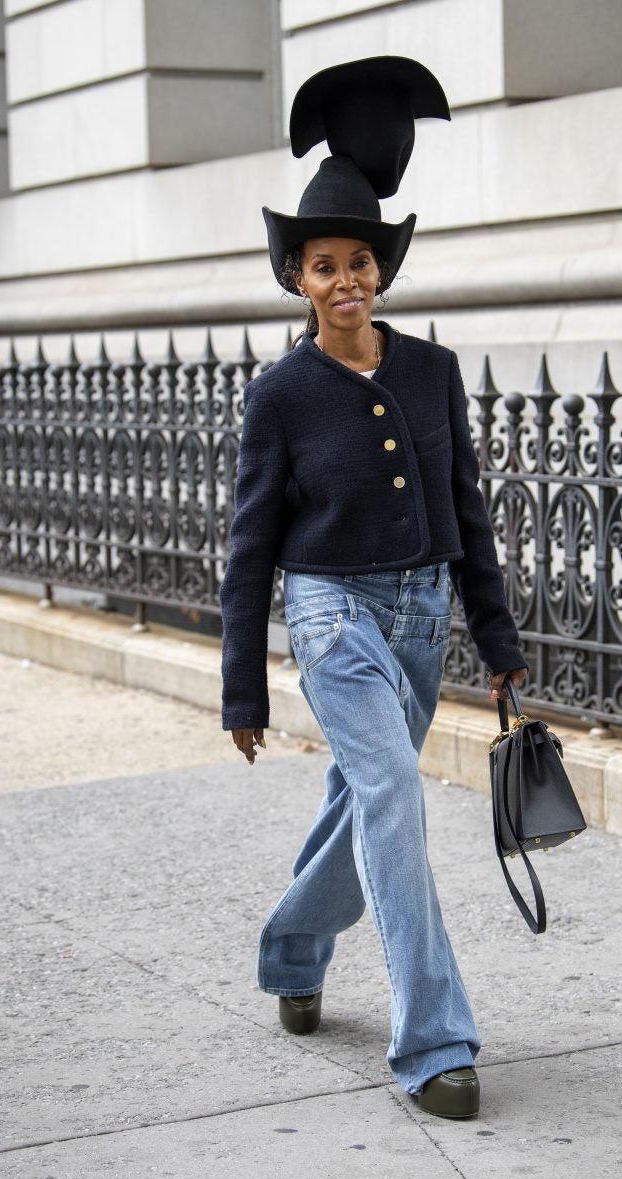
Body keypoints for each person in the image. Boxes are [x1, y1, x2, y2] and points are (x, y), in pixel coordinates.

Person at [219, 57, 527, 1120]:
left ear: (379, 270)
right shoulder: (279, 395)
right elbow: (250, 545)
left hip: (418, 612)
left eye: (359, 261)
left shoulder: (432, 371)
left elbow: (466, 511)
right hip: (330, 613)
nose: (344, 279)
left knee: (363, 796)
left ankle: (293, 951)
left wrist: (494, 632)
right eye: (322, 266)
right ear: (296, 279)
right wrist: (242, 693)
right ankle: (433, 1043)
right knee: (394, 794)